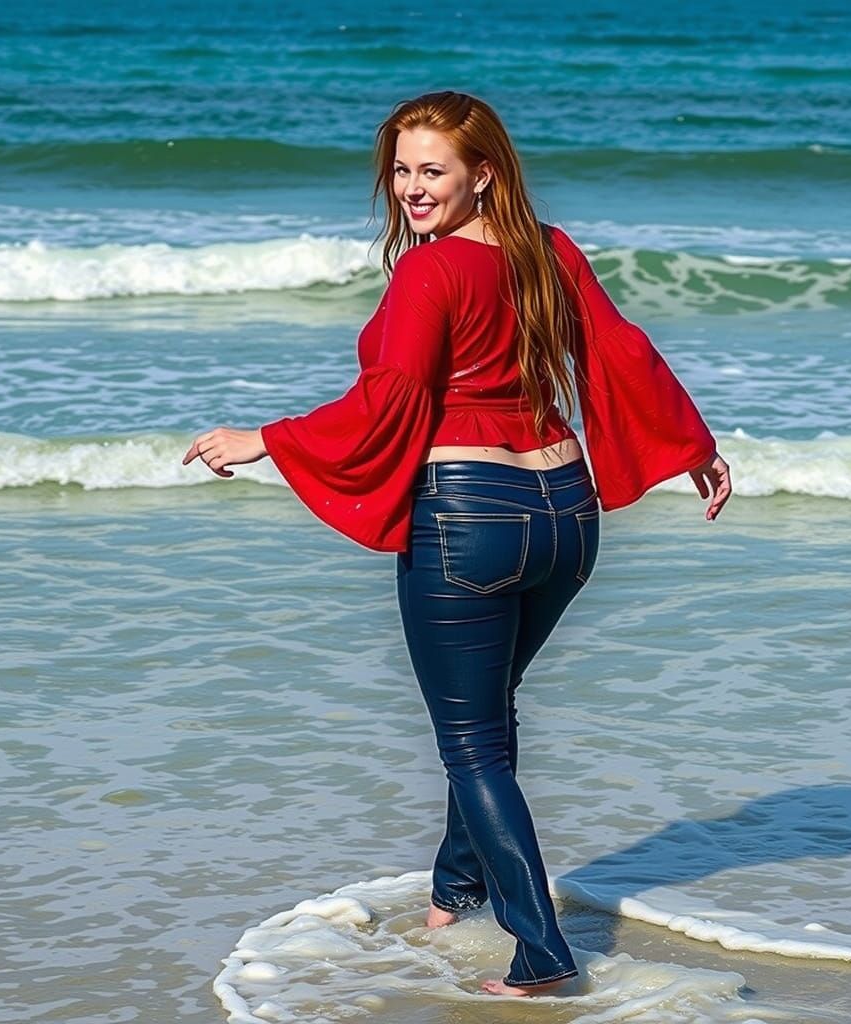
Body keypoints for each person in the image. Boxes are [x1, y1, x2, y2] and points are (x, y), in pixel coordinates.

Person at [182, 90, 731, 997]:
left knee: (472, 741)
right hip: (566, 513)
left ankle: (542, 949)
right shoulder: (548, 251)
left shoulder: (427, 275)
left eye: (432, 170)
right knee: (485, 717)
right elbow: (621, 353)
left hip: (469, 517)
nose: (411, 189)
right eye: (400, 171)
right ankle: (454, 888)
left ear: (483, 173)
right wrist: (689, 445)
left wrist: (266, 438)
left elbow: (386, 400)